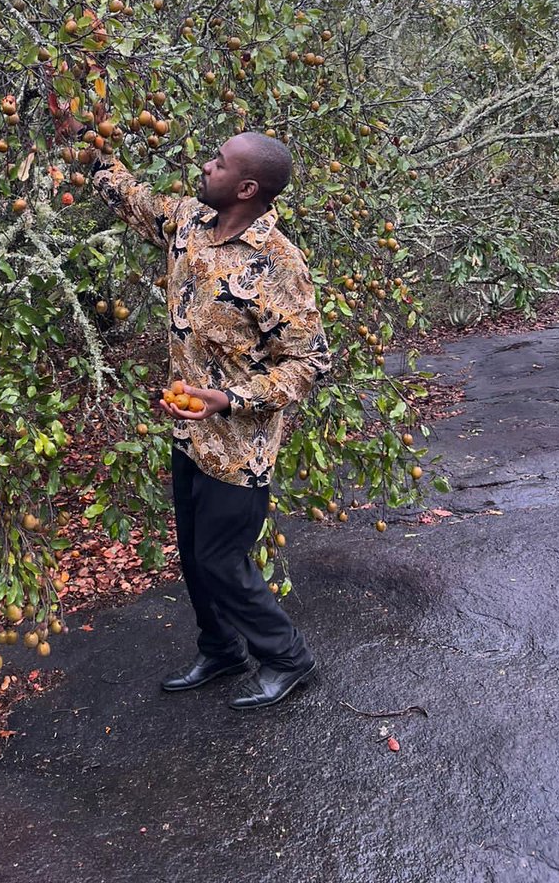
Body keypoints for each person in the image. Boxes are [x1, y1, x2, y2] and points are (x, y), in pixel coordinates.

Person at [53, 108, 331, 710]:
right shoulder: (188, 222)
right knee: (193, 555)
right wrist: (83, 136)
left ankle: (288, 658)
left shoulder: (277, 263)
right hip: (188, 435)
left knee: (223, 559)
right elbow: (127, 195)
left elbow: (310, 363)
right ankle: (222, 650)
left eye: (220, 162)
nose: (206, 165)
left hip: (240, 447)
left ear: (247, 188)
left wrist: (229, 399)